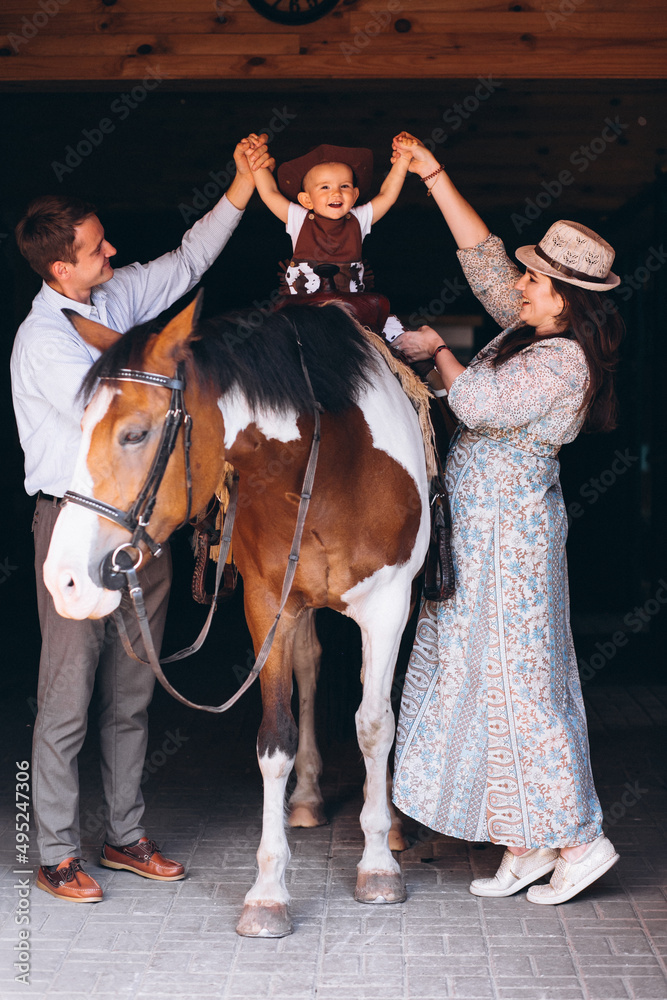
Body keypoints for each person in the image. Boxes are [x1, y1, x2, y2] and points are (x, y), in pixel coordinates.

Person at [10, 141, 258, 902]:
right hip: (78, 530)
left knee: (130, 695)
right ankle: (54, 849)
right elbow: (118, 414)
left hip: (141, 527)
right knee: (65, 698)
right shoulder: (45, 341)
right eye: (95, 248)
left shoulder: (113, 301)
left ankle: (123, 836)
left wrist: (244, 188)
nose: (111, 250)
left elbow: (186, 263)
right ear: (61, 270)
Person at [391, 132, 623, 904]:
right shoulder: (527, 330)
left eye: (534, 280)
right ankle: (523, 843)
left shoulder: (561, 359)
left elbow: (479, 406)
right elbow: (483, 259)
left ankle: (579, 841)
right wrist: (433, 176)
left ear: (565, 295)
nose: (519, 285)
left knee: (524, 686)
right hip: (484, 533)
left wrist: (435, 354)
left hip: (512, 539)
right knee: (486, 680)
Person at [244, 134, 411, 298]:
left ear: (354, 195)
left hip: (348, 312)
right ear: (306, 200)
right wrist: (254, 157)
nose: (336, 193)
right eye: (325, 187)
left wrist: (402, 161)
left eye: (344, 186)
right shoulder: (298, 219)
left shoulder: (359, 219)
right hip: (305, 312)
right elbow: (269, 192)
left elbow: (387, 195)